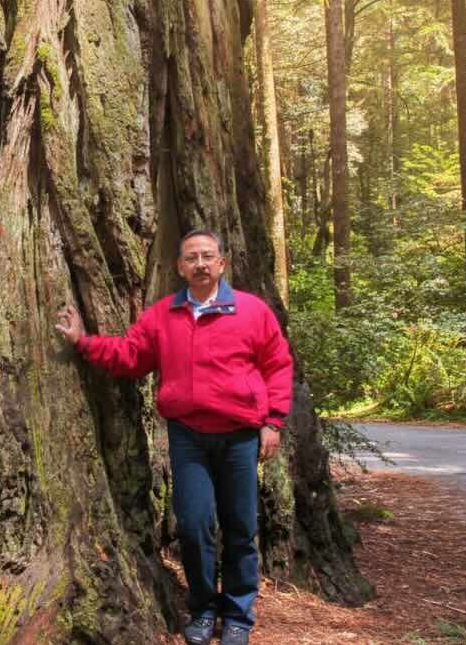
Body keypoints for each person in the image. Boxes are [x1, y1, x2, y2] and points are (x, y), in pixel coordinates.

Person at [54, 229, 293, 645]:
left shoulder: (252, 311)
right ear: (180, 266)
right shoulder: (164, 314)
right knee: (195, 525)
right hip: (189, 439)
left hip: (240, 438)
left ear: (222, 262)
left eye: (207, 256)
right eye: (191, 258)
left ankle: (238, 614)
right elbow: (130, 356)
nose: (200, 264)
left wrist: (273, 422)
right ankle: (202, 608)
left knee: (240, 527)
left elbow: (278, 366)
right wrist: (83, 342)